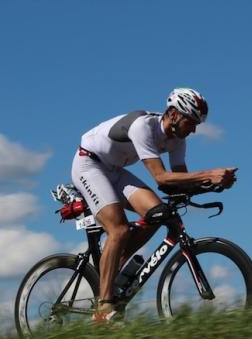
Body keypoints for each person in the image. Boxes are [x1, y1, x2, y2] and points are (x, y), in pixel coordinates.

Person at [71, 88, 237, 322]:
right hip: (89, 165)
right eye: (191, 122)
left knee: (158, 214)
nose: (194, 130)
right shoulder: (143, 127)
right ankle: (104, 308)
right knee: (119, 229)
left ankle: (115, 268)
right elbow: (161, 178)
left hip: (114, 170)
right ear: (173, 114)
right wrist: (209, 174)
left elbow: (179, 182)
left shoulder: (178, 140)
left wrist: (213, 184)